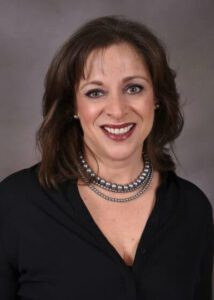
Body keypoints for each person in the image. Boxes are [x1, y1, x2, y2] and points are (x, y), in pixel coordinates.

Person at [0, 15, 213, 300]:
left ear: (157, 98)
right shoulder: (15, 204)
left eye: (133, 88)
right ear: (72, 106)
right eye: (95, 92)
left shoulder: (192, 209)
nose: (117, 109)